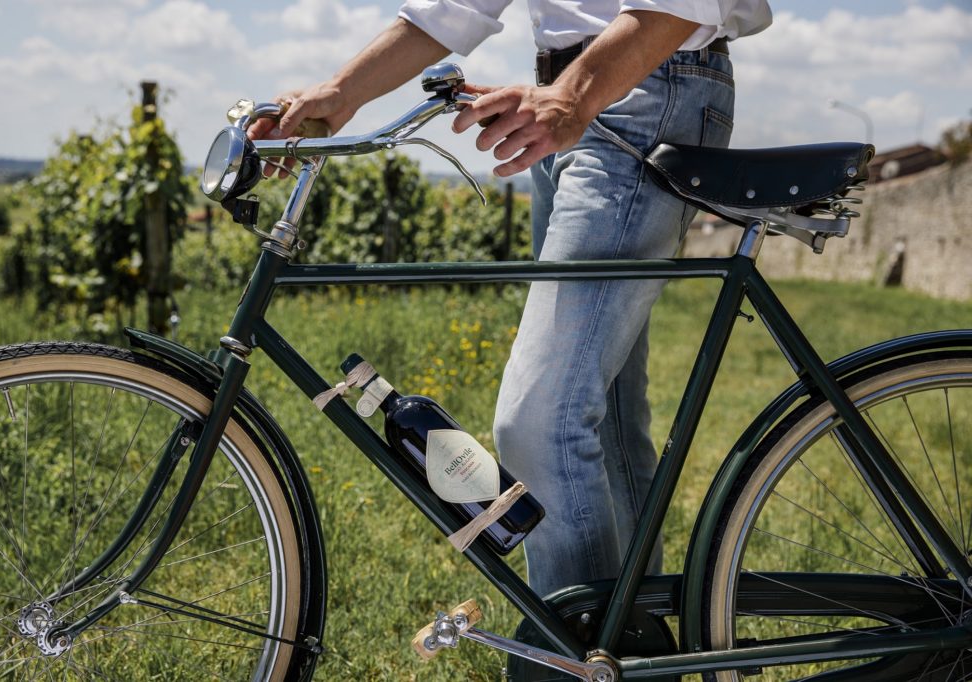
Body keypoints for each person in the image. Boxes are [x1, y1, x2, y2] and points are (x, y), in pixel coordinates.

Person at [249, 0, 772, 597]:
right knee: (605, 418)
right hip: (575, 97)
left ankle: (578, 642)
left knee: (540, 423)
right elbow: (456, 7)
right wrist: (340, 93)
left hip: (634, 87)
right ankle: (632, 626)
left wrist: (574, 94)